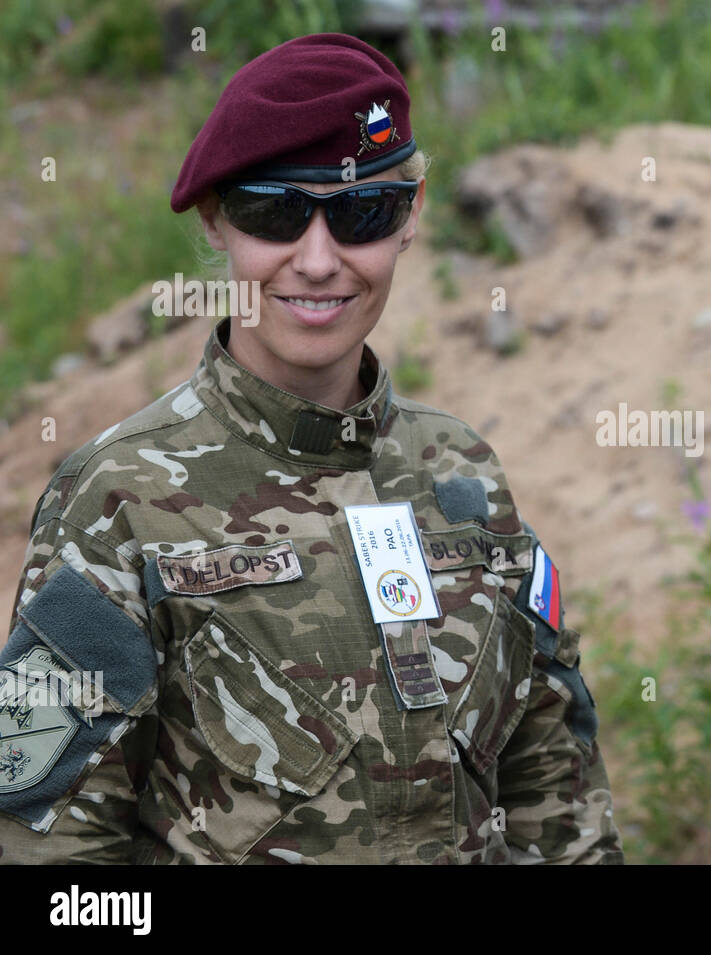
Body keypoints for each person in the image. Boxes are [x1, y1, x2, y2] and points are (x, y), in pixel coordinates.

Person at [0, 33, 621, 864]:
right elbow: (56, 860)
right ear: (217, 218)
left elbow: (557, 799)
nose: (319, 261)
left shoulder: (463, 477)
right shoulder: (116, 497)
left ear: (410, 216)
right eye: (275, 211)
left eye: (363, 212)